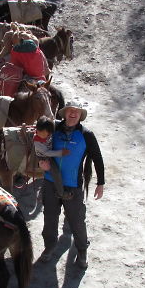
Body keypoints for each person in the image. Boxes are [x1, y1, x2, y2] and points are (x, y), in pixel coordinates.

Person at [38, 100, 104, 269]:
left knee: (77, 220)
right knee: (50, 217)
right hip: (50, 181)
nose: (73, 114)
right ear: (64, 113)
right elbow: (39, 144)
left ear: (80, 116)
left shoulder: (86, 135)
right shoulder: (55, 128)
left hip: (73, 185)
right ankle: (50, 246)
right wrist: (42, 162)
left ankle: (82, 250)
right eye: (70, 111)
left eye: (76, 112)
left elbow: (97, 157)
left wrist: (100, 183)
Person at [33, 116, 68, 199]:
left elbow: (55, 123)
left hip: (49, 151)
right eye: (38, 132)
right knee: (56, 172)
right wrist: (61, 152)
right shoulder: (37, 142)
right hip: (44, 157)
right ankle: (61, 193)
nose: (39, 134)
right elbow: (47, 153)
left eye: (43, 133)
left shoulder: (49, 132)